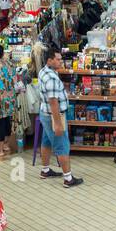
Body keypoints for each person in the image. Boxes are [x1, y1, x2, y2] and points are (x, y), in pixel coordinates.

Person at [37, 46, 82, 188]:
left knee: (46, 142)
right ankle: (68, 178)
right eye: (58, 59)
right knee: (62, 145)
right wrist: (57, 123)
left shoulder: (44, 71)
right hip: (53, 116)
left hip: (44, 114)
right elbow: (53, 102)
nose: (61, 61)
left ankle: (45, 170)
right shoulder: (51, 78)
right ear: (50, 60)